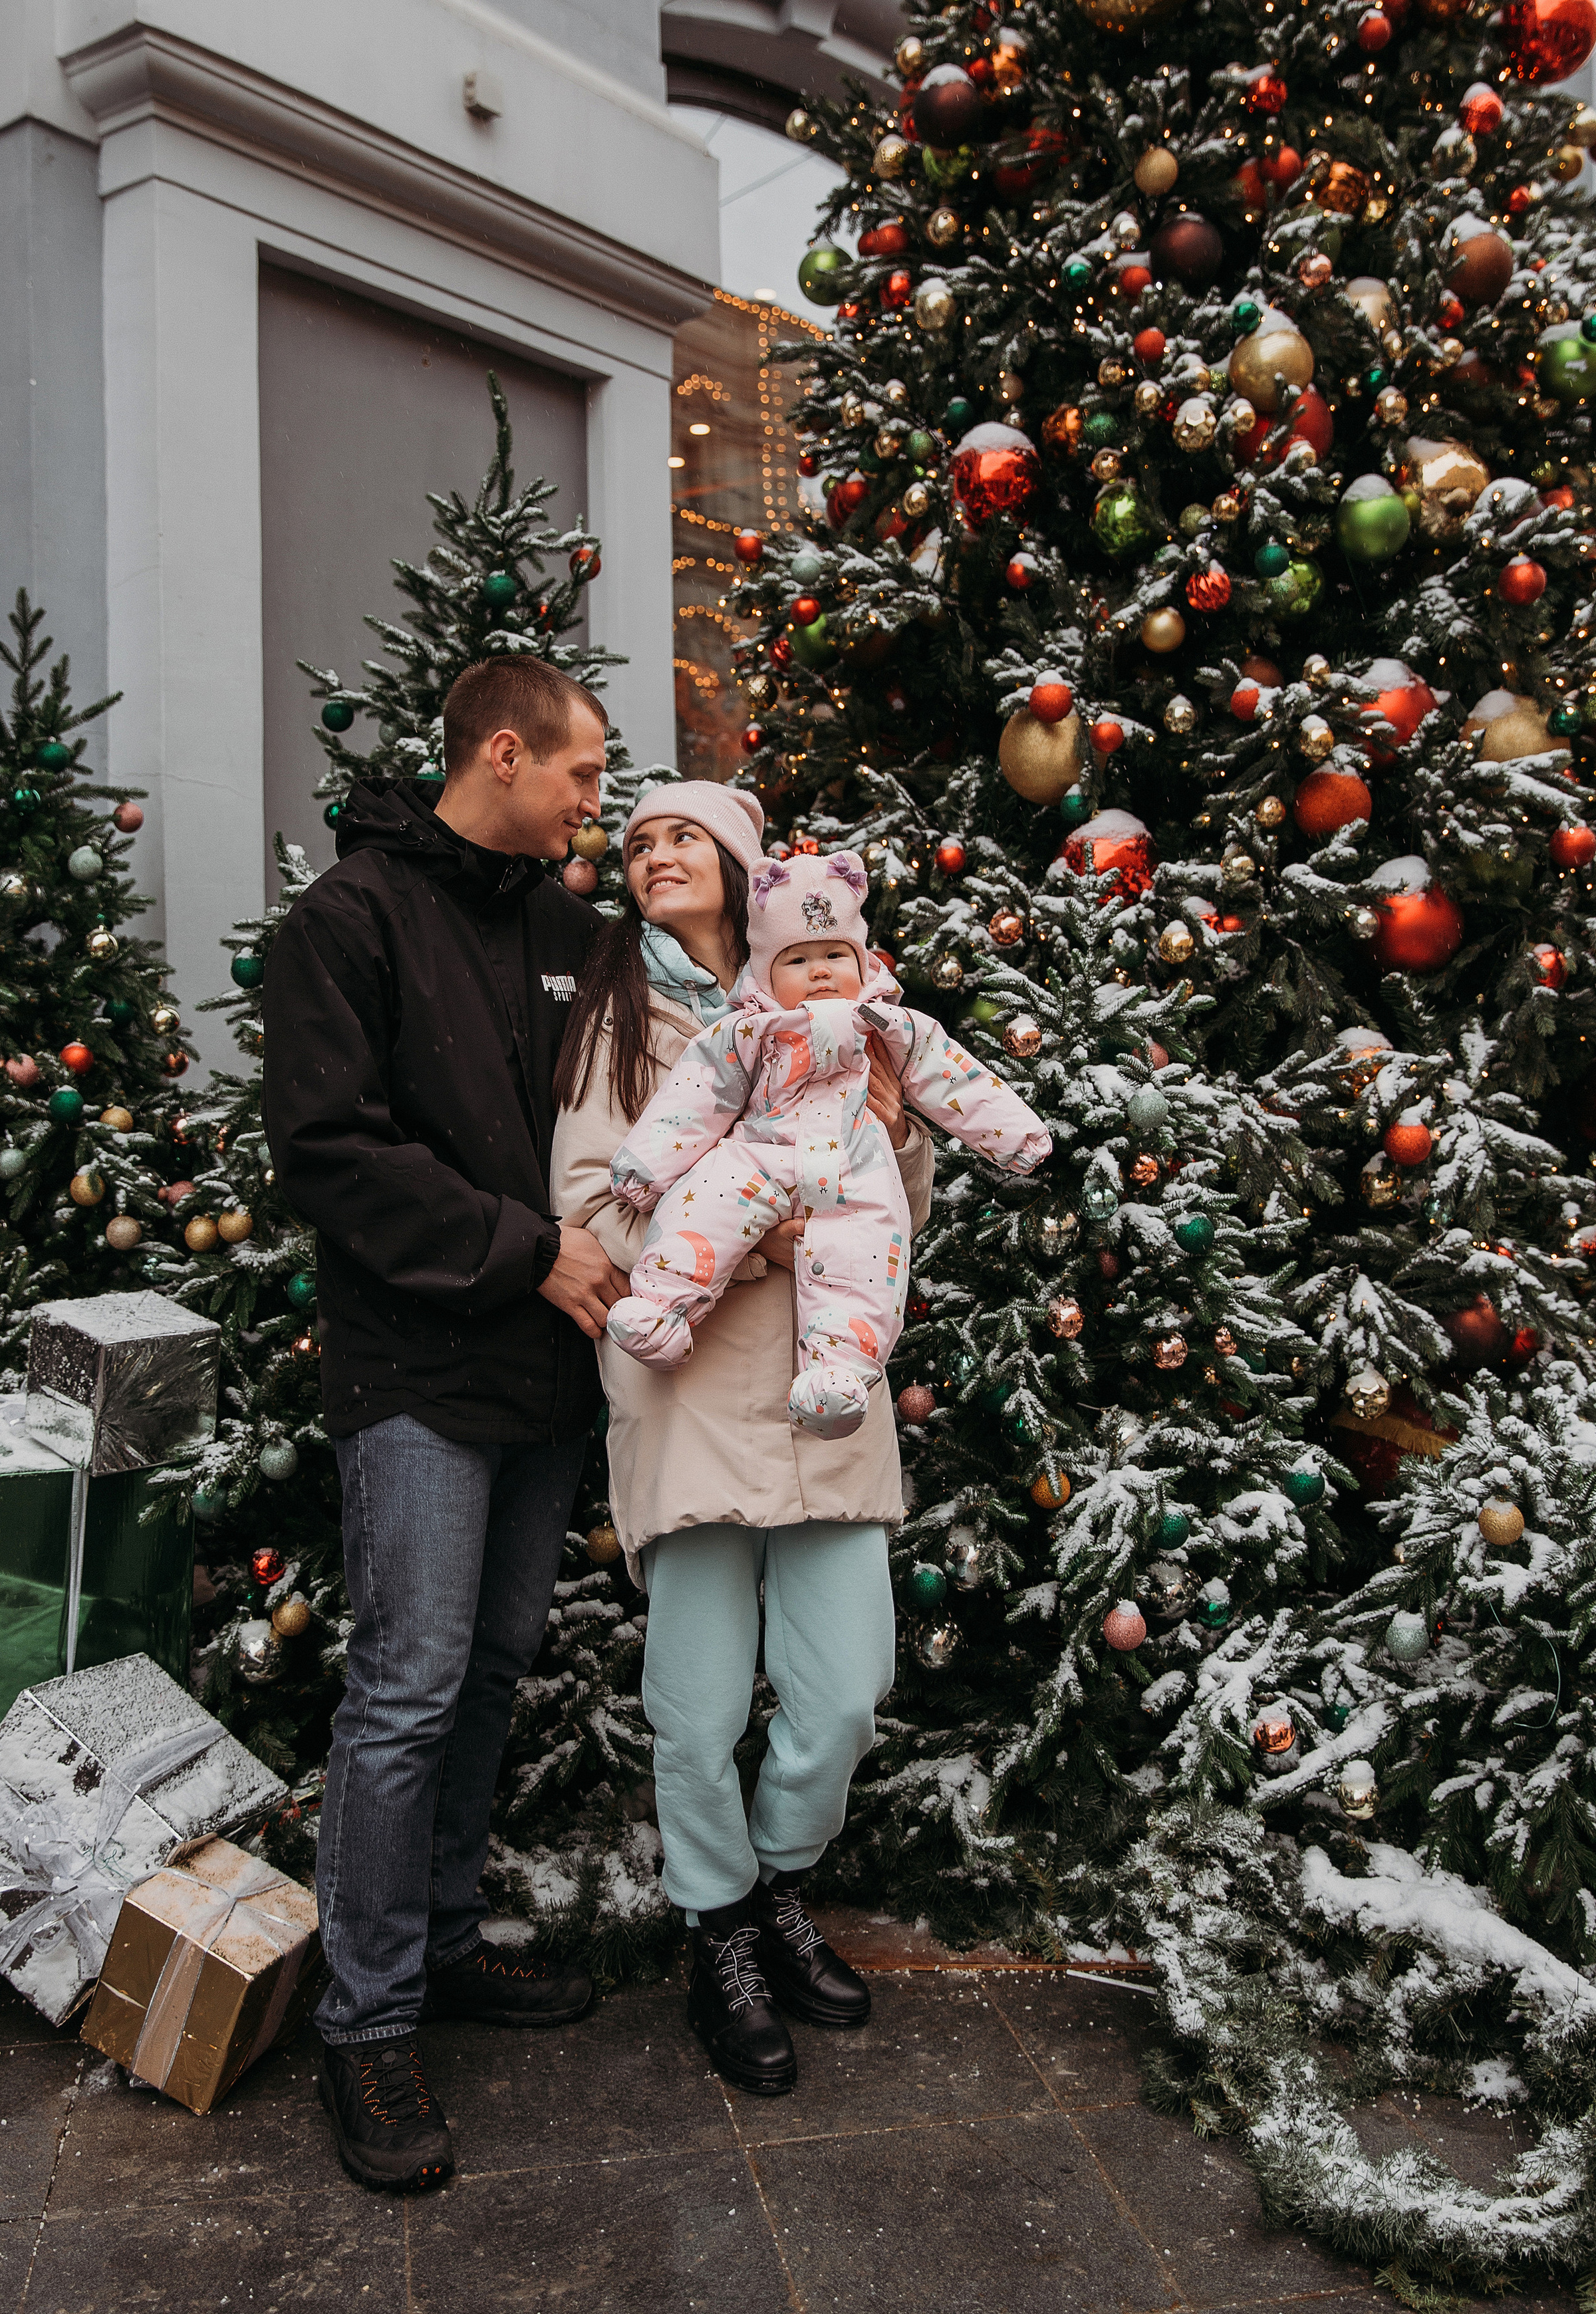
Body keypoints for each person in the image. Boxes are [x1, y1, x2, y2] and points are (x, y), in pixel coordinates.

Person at [263, 654, 628, 2196]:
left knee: (487, 1668)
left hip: (547, 1378)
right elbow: (331, 1150)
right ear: (502, 752)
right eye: (584, 774)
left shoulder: (572, 931)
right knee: (405, 1685)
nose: (597, 803)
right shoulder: (343, 924)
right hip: (415, 1369)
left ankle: (442, 1941)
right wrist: (525, 1247)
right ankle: (367, 2017)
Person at [550, 783, 935, 2099]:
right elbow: (585, 1206)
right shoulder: (619, 1021)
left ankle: (776, 1887)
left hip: (826, 1394)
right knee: (698, 1706)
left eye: (678, 837)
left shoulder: (834, 997)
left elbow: (890, 1205)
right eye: (635, 842)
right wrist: (739, 1243)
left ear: (741, 864)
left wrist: (889, 1140)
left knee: (839, 1697)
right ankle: (719, 1930)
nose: (652, 855)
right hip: (690, 1398)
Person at [604, 848, 1050, 1434]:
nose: (820, 971)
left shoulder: (893, 1026)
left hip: (854, 1165)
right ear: (765, 975)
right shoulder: (747, 1030)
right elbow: (698, 1095)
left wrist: (1020, 1137)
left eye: (836, 955)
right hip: (760, 1151)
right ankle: (663, 1305)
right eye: (798, 959)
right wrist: (647, 1166)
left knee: (864, 1254)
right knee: (705, 1200)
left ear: (862, 964)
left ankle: (836, 1371)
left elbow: (954, 1076)